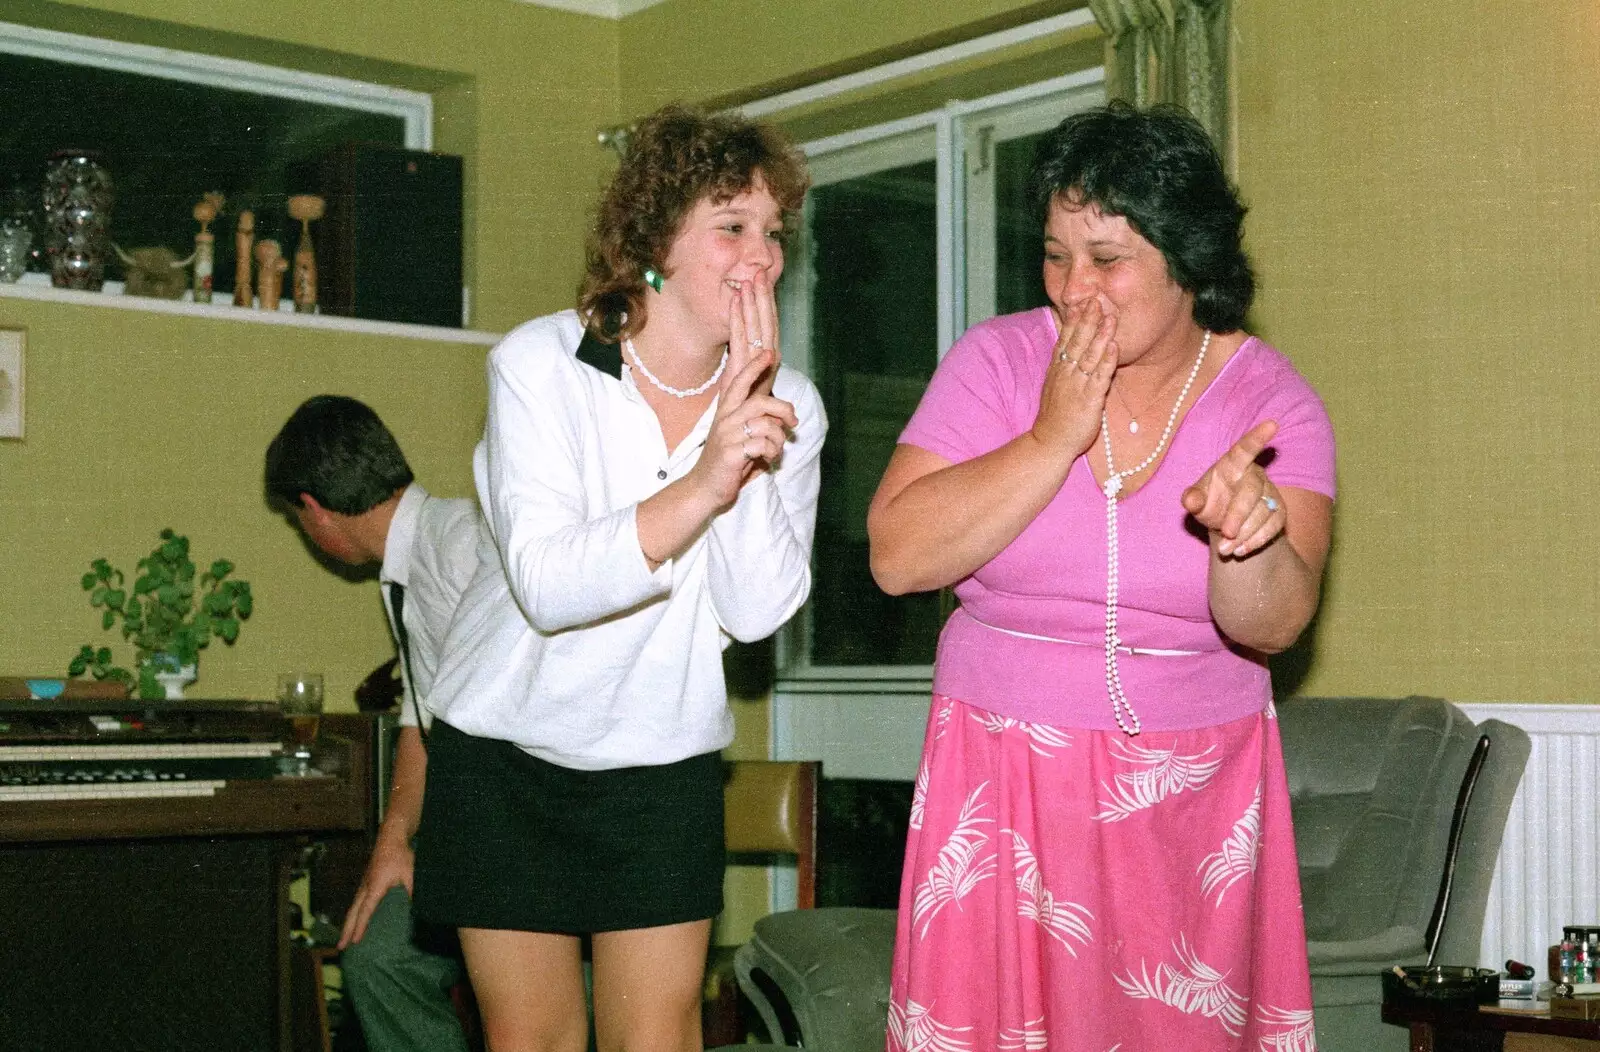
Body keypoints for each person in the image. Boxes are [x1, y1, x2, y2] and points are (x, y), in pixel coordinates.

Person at [867, 101, 1335, 1050]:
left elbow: (1274, 627)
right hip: (1000, 775)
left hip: (1191, 798)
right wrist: (1052, 436)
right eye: (1053, 254)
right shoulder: (997, 362)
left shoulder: (1269, 399)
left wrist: (1249, 541)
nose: (1074, 289)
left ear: (1189, 260)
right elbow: (897, 557)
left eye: (1108, 259)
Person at [412, 104, 826, 1052]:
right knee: (536, 1039)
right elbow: (553, 587)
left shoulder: (792, 403)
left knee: (657, 1038)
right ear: (651, 241)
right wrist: (706, 476)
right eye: (731, 228)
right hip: (504, 754)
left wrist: (747, 427)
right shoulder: (541, 365)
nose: (760, 257)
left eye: (773, 234)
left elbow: (758, 611)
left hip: (661, 760)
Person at [264, 394, 483, 1052]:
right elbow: (423, 712)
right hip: (474, 843)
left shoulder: (459, 546)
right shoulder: (405, 571)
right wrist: (394, 841)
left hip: (539, 845)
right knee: (376, 956)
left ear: (314, 510)